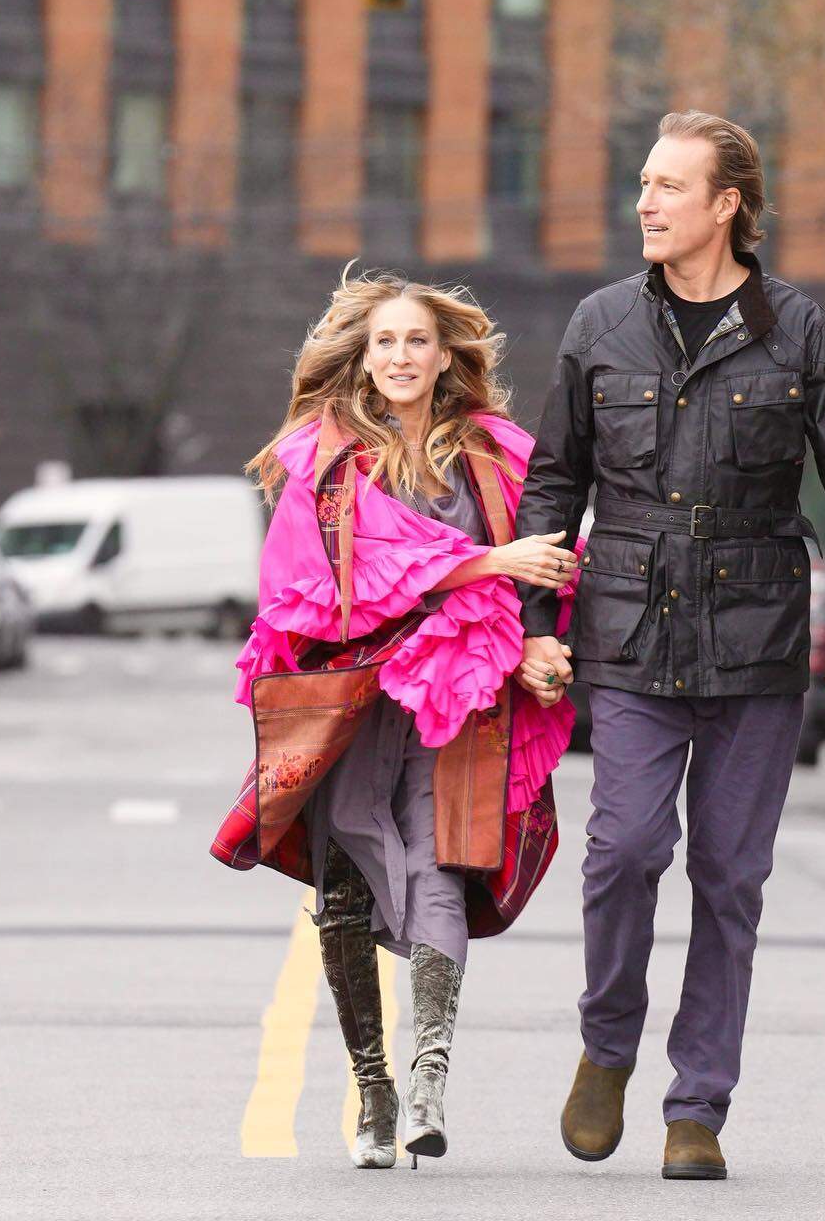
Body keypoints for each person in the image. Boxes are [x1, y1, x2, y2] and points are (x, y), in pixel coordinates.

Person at [512, 110, 825, 1181]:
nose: (646, 202)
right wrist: (535, 627)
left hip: (758, 642)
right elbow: (554, 483)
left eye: (669, 186)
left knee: (730, 879)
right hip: (628, 636)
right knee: (623, 853)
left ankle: (698, 1104)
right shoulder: (598, 326)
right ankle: (606, 1044)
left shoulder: (798, 331)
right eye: (643, 183)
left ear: (728, 205)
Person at [215, 266, 581, 1168]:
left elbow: (557, 558)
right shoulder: (324, 458)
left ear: (447, 351)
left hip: (460, 690)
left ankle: (427, 1080)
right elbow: (323, 588)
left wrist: (540, 641)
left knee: (442, 866)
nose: (402, 355)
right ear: (362, 356)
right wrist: (485, 565)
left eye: (418, 339)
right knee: (342, 892)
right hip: (347, 701)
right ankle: (371, 1088)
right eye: (385, 341)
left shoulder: (499, 452)